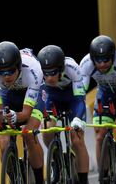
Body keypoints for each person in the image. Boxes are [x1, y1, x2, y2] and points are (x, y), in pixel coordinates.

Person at [79, 35, 116, 181]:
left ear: (113, 57)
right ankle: (104, 174)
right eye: (98, 61)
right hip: (105, 93)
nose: (102, 64)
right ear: (92, 59)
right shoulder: (86, 64)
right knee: (100, 135)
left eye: (106, 60)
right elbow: (79, 96)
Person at [0, 41, 44, 183]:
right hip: (8, 94)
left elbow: (25, 114)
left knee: (29, 134)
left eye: (11, 71)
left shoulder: (33, 68)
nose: (6, 76)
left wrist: (15, 117)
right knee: (3, 141)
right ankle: (13, 178)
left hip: (31, 93)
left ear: (18, 66)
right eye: (2, 72)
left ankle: (39, 180)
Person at [37, 45, 89, 183]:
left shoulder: (73, 68)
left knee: (77, 139)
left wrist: (77, 118)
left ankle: (83, 180)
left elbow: (80, 100)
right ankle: (56, 158)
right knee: (47, 128)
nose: (49, 78)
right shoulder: (37, 71)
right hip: (52, 98)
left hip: (73, 99)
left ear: (61, 69)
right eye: (45, 73)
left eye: (53, 73)